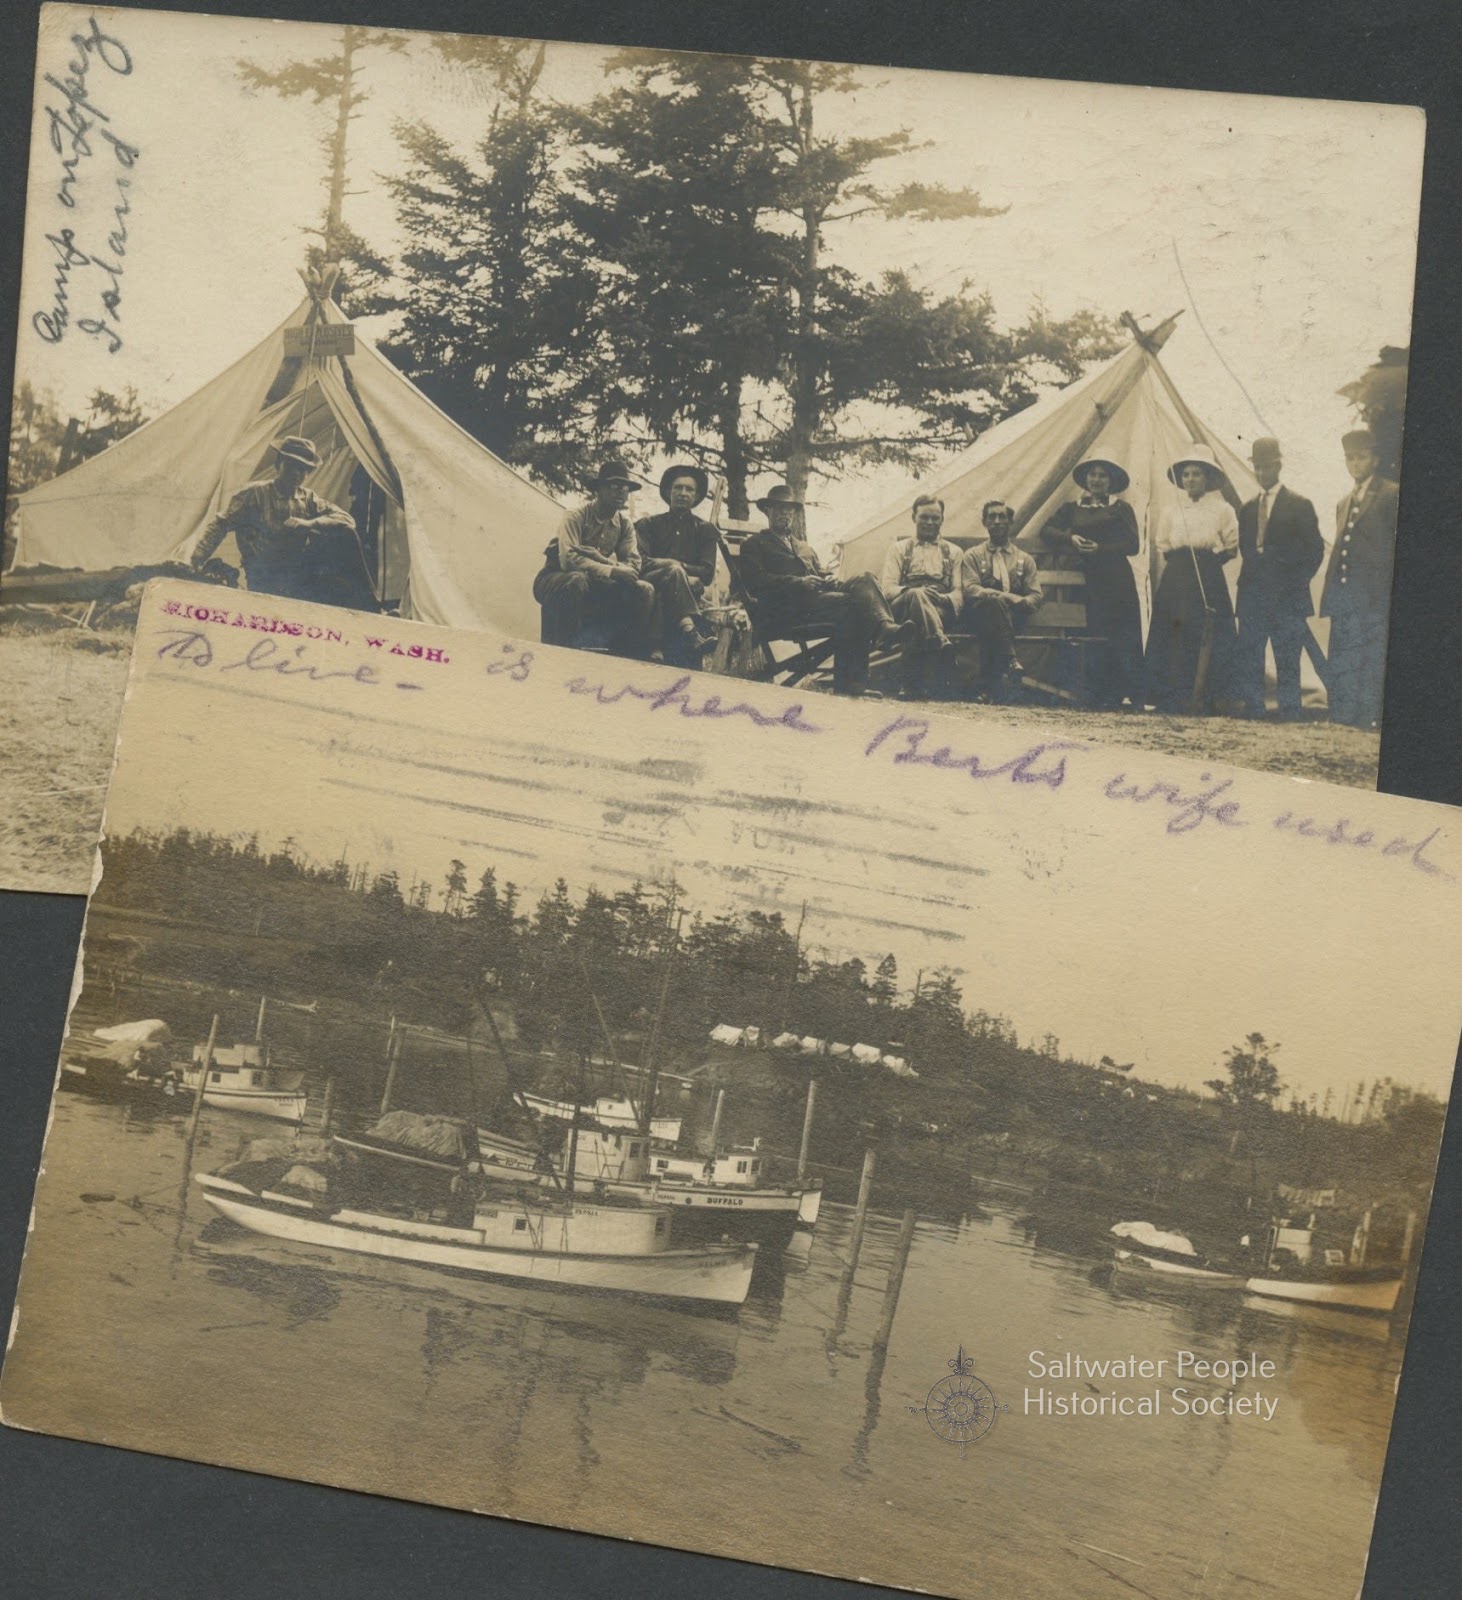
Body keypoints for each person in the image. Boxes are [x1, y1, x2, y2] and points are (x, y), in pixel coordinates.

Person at [738, 483, 905, 696]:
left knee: (865, 578)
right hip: (782, 611)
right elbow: (755, 581)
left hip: (815, 604)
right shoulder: (755, 544)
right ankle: (857, 674)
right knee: (854, 605)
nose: (785, 513)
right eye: (779, 508)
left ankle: (882, 630)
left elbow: (819, 572)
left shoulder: (804, 547)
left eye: (789, 509)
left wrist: (829, 579)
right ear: (767, 511)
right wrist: (798, 582)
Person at [189, 435, 358, 601]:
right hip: (262, 574)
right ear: (279, 464)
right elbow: (221, 525)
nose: (297, 473)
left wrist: (309, 523)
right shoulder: (254, 493)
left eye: (303, 469)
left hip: (296, 576)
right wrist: (197, 560)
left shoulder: (309, 499)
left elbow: (347, 520)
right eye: (291, 466)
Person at [1038, 457, 1143, 708]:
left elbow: (1133, 544)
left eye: (1103, 476)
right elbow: (1046, 530)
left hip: (1115, 579)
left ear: (1112, 481)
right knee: (1089, 631)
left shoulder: (1120, 508)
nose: (1096, 480)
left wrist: (1101, 548)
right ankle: (1088, 693)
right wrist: (1070, 537)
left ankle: (1122, 693)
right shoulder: (1072, 508)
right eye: (1093, 475)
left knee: (1118, 633)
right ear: (1086, 479)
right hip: (1085, 579)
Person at [1144, 444, 1239, 714]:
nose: (1191, 480)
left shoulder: (1223, 509)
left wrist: (1209, 562)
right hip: (1177, 576)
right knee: (1174, 630)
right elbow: (1163, 543)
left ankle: (1208, 696)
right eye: (1186, 475)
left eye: (1197, 474)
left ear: (1208, 478)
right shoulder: (1172, 510)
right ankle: (1172, 695)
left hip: (1208, 574)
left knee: (1207, 631)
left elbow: (1231, 547)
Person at [1234, 437, 1323, 720]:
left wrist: (1292, 581)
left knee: (1287, 656)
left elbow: (1314, 551)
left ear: (1279, 466)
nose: (1262, 474)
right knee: (1251, 653)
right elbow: (1246, 549)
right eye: (1257, 468)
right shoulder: (1247, 509)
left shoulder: (1299, 504)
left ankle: (1289, 709)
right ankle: (1253, 707)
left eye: (1267, 467)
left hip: (1287, 597)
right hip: (1253, 595)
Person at [532, 459, 656, 657]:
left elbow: (633, 566)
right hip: (554, 578)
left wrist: (605, 562)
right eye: (614, 487)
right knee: (576, 579)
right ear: (599, 489)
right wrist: (613, 570)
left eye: (625, 488)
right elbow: (568, 560)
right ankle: (567, 653)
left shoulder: (624, 525)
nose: (620, 493)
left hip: (596, 583)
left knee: (644, 589)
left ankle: (629, 656)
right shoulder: (576, 516)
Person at [1319, 428, 1400, 730]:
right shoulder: (1343, 502)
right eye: (1349, 458)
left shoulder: (1391, 494)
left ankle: (1368, 718)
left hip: (1374, 594)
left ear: (1375, 459)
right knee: (1342, 654)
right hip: (1344, 595)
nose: (1355, 464)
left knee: (1371, 654)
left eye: (1361, 457)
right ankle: (1341, 716)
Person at [635, 464, 720, 666]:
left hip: (678, 600)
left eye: (689, 489)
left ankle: (675, 640)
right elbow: (640, 561)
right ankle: (691, 631)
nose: (683, 493)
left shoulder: (705, 530)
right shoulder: (648, 525)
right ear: (668, 492)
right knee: (673, 571)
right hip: (650, 594)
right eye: (678, 488)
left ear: (697, 496)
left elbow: (707, 573)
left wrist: (679, 571)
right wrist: (678, 571)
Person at [879, 494, 962, 696]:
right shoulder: (898, 549)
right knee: (916, 598)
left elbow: (959, 592)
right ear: (913, 517)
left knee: (915, 621)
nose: (930, 523)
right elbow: (887, 589)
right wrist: (914, 592)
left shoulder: (954, 552)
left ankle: (910, 685)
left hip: (939, 609)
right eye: (924, 517)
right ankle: (939, 641)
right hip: (902, 607)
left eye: (935, 518)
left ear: (942, 519)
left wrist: (942, 599)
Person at [960, 501, 1044, 698]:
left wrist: (1010, 599)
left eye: (1002, 517)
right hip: (978, 618)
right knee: (992, 606)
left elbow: (1036, 597)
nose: (997, 522)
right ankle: (1010, 660)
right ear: (984, 522)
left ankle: (987, 688)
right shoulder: (973, 555)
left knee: (995, 610)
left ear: (1011, 521)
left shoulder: (1025, 559)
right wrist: (1000, 597)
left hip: (1014, 620)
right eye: (992, 517)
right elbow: (970, 589)